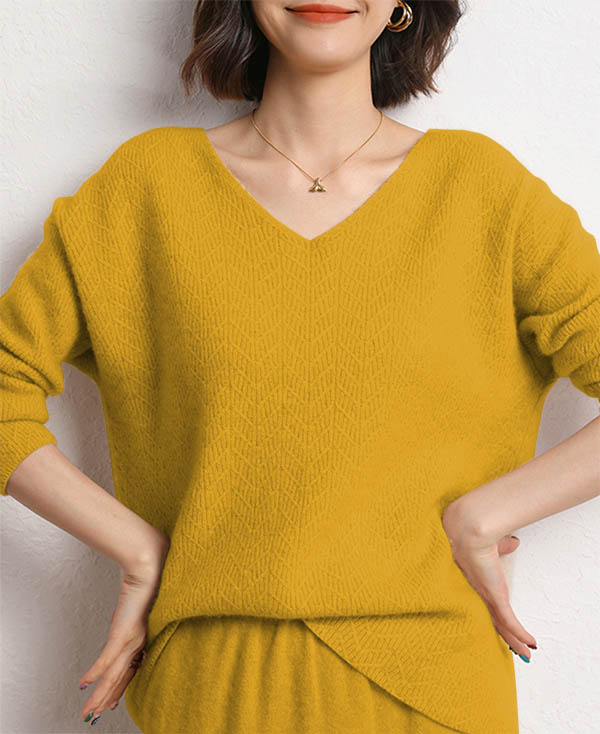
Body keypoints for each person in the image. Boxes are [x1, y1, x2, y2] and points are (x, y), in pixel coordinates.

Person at [2, 1, 599, 732]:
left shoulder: (483, 192)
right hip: (210, 687)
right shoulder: (145, 190)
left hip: (433, 687)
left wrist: (484, 516)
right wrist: (139, 550)